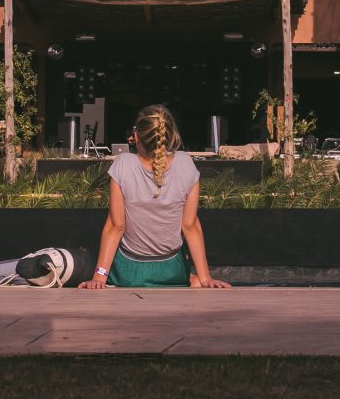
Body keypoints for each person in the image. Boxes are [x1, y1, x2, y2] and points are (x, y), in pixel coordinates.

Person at [80, 104, 230, 289]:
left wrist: (99, 278)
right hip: (172, 271)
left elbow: (115, 226)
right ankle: (194, 280)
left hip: (128, 272)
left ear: (136, 136)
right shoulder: (185, 164)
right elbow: (190, 226)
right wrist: (207, 279)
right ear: (169, 135)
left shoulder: (123, 164)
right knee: (196, 282)